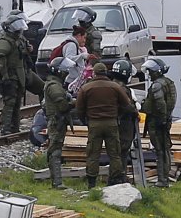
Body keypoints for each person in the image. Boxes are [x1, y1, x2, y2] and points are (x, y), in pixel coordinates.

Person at [75, 62, 135, 188]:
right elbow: (127, 105)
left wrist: (86, 121)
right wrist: (117, 115)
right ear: (105, 73)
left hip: (94, 124)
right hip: (111, 123)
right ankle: (115, 180)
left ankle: (92, 183)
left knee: (93, 153)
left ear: (94, 73)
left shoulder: (86, 88)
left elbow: (79, 109)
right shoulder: (115, 87)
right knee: (114, 153)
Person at [141, 58, 176, 187]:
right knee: (164, 149)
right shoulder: (168, 83)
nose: (149, 74)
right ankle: (164, 178)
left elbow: (160, 103)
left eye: (150, 71)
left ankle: (162, 180)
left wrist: (161, 119)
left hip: (157, 121)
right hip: (164, 120)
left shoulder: (157, 85)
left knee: (160, 150)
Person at [0, 11, 29, 135]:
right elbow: (0, 59)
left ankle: (15, 126)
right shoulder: (5, 41)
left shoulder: (17, 39)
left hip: (18, 75)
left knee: (17, 101)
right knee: (10, 102)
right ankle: (6, 127)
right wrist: (5, 77)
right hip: (10, 76)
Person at [44, 56, 76, 188]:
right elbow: (63, 106)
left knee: (55, 150)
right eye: (65, 71)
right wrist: (73, 102)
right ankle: (57, 183)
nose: (67, 73)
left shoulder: (55, 84)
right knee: (55, 152)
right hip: (57, 122)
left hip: (58, 121)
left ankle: (57, 181)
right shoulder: (54, 86)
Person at [109, 59, 139, 169]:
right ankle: (119, 177)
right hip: (124, 124)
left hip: (113, 122)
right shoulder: (123, 89)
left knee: (115, 152)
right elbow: (128, 107)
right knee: (122, 152)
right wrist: (136, 111)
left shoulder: (111, 86)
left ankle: (116, 176)